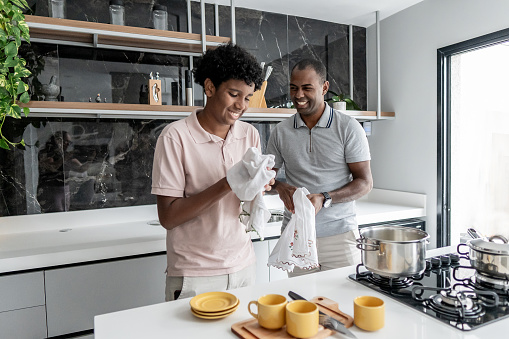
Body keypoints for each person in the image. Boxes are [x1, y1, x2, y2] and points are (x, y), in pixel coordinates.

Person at [151, 42, 273, 301]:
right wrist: (229, 182)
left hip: (243, 267)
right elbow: (169, 217)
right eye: (233, 94)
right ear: (209, 87)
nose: (242, 105)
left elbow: (244, 199)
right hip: (196, 275)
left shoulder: (249, 134)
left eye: (248, 97)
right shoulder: (175, 137)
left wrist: (258, 185)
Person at [266, 59, 373, 277]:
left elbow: (364, 183)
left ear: (324, 87)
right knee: (301, 305)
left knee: (342, 305)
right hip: (296, 234)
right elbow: (267, 177)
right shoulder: (280, 131)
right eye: (294, 88)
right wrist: (279, 186)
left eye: (307, 88)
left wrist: (325, 197)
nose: (299, 95)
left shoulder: (348, 128)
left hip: (340, 236)